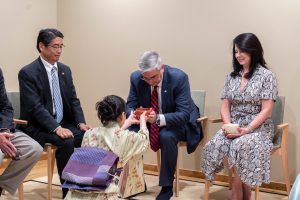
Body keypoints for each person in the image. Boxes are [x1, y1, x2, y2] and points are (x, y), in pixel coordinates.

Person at [202, 33, 278, 200]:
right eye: (236, 52)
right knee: (215, 144)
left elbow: (267, 110)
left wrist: (247, 129)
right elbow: (225, 106)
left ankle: (237, 188)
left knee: (240, 145)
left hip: (258, 128)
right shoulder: (231, 77)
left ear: (253, 50)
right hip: (235, 127)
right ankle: (244, 192)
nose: (238, 55)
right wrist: (229, 126)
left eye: (242, 51)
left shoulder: (267, 76)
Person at [18, 28, 91, 198]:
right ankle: (69, 192)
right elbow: (35, 108)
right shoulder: (28, 73)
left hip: (63, 122)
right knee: (66, 141)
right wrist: (56, 128)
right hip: (38, 126)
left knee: (88, 136)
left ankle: (83, 184)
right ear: (41, 46)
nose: (59, 51)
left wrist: (80, 122)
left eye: (61, 46)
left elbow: (73, 100)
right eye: (55, 46)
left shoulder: (65, 70)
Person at [126, 51, 203, 200]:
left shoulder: (178, 77)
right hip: (148, 120)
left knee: (167, 136)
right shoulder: (136, 78)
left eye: (153, 77)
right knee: (129, 132)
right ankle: (133, 181)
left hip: (176, 121)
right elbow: (130, 105)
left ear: (161, 67)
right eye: (145, 78)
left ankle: (167, 187)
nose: (150, 82)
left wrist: (158, 119)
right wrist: (134, 116)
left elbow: (183, 114)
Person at [64, 95, 149, 200]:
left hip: (76, 193)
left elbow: (111, 136)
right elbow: (144, 141)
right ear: (123, 115)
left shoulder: (89, 133)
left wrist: (126, 123)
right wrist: (143, 121)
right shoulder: (127, 137)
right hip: (104, 195)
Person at [0, 68, 43, 196]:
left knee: (33, 149)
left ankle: (1, 185)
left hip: (3, 130)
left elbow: (5, 107)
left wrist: (4, 130)